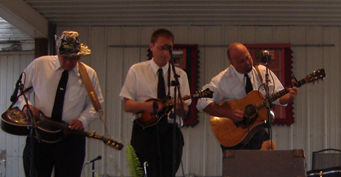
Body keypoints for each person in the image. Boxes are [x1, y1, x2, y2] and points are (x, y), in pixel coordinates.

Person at [15, 31, 103, 177]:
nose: (68, 62)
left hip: (70, 137)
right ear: (57, 52)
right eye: (64, 58)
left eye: (73, 58)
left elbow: (96, 104)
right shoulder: (40, 65)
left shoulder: (89, 74)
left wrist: (82, 120)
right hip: (40, 134)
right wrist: (26, 106)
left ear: (79, 55)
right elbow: (20, 90)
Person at [197, 42, 298, 151]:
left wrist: (289, 97)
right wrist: (228, 113)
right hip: (234, 137)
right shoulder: (222, 80)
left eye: (248, 57)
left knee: (267, 162)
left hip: (258, 131)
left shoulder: (262, 72)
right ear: (232, 63)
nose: (247, 62)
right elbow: (202, 101)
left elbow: (278, 95)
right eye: (241, 61)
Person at [120, 29, 191, 177]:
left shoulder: (180, 75)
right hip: (145, 132)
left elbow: (185, 111)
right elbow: (127, 105)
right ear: (151, 47)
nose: (165, 53)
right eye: (161, 48)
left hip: (171, 133)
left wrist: (179, 107)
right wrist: (147, 106)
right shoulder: (137, 70)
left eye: (169, 48)